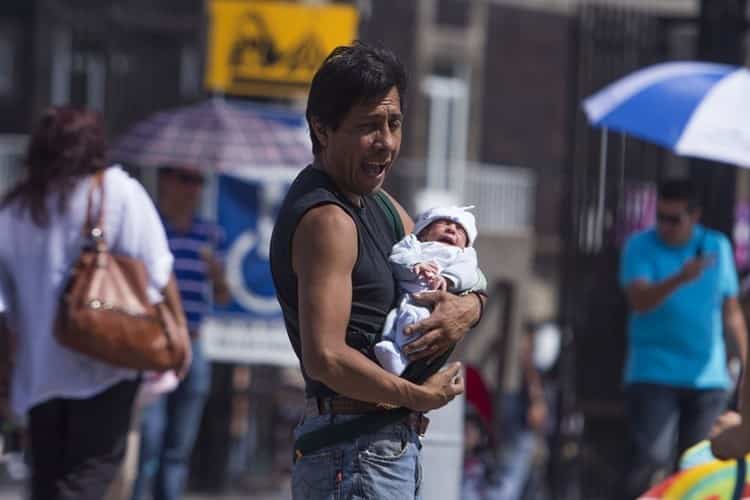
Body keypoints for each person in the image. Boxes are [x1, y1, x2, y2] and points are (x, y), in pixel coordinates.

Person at [269, 42, 486, 500]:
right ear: (322, 129)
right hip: (352, 456)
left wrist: (469, 307)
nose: (386, 141)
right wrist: (415, 396)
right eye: (368, 126)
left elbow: (458, 266)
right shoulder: (327, 220)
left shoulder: (379, 203)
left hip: (380, 450)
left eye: (394, 123)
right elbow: (325, 358)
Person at [0, 106, 180, 499]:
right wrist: (171, 335)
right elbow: (157, 273)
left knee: (49, 482)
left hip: (39, 372)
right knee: (87, 479)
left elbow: (4, 304)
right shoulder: (117, 191)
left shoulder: (18, 207)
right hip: (107, 364)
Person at [619, 178, 748, 499]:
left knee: (699, 464)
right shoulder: (640, 245)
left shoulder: (717, 246)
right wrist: (680, 278)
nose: (665, 226)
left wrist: (745, 360)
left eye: (674, 219)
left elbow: (731, 310)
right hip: (653, 371)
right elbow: (640, 301)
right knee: (653, 458)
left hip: (708, 376)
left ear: (695, 215)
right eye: (660, 217)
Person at [131, 165, 230, 500]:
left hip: (193, 344)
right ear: (165, 181)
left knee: (178, 446)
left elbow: (222, 296)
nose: (193, 189)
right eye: (186, 179)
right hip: (155, 344)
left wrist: (217, 275)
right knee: (150, 438)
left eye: (199, 180)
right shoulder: (151, 230)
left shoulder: (210, 235)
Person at [375, 205, 483, 375]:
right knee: (393, 320)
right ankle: (390, 347)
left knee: (416, 321)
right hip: (406, 296)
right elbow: (397, 256)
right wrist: (414, 264)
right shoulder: (413, 245)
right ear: (424, 232)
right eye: (444, 223)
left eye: (460, 229)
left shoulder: (463, 256)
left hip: (431, 303)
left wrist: (448, 279)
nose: (451, 229)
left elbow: (469, 274)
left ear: (466, 244)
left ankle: (402, 359)